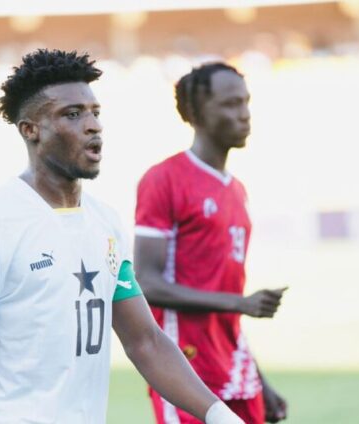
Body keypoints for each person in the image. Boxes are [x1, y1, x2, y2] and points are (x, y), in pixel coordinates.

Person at [0, 49, 244, 424]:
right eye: (72, 114)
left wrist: (220, 415)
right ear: (30, 129)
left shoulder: (105, 223)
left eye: (95, 112)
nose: (93, 125)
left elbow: (145, 341)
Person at [134, 63, 288, 424]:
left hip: (235, 367)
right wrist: (241, 303)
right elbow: (146, 283)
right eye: (230, 104)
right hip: (184, 369)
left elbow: (226, 299)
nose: (244, 114)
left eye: (246, 102)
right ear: (197, 112)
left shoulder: (237, 190)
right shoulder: (164, 179)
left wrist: (260, 379)